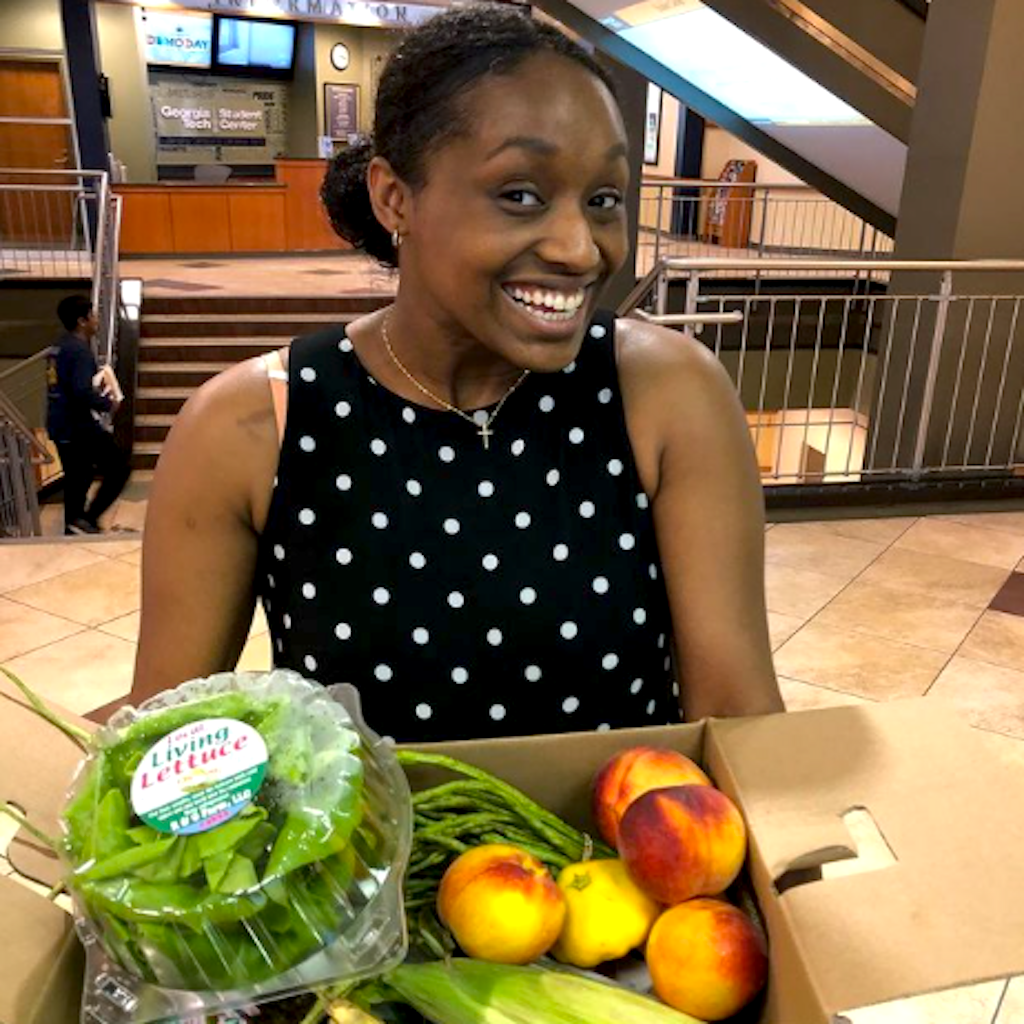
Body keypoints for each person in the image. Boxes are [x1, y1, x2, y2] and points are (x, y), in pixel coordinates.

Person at [132, 4, 783, 740]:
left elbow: (737, 716)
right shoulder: (250, 427)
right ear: (394, 198)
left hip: (620, 852)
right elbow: (167, 736)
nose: (580, 248)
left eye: (603, 200)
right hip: (368, 857)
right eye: (520, 195)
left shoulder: (668, 397)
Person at [47, 295, 131, 535]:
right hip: (78, 426)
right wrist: (108, 404)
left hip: (60, 423)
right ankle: (87, 519)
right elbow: (81, 391)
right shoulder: (79, 351)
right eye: (93, 315)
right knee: (118, 467)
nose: (96, 320)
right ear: (82, 321)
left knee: (78, 476)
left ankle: (76, 525)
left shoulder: (59, 346)